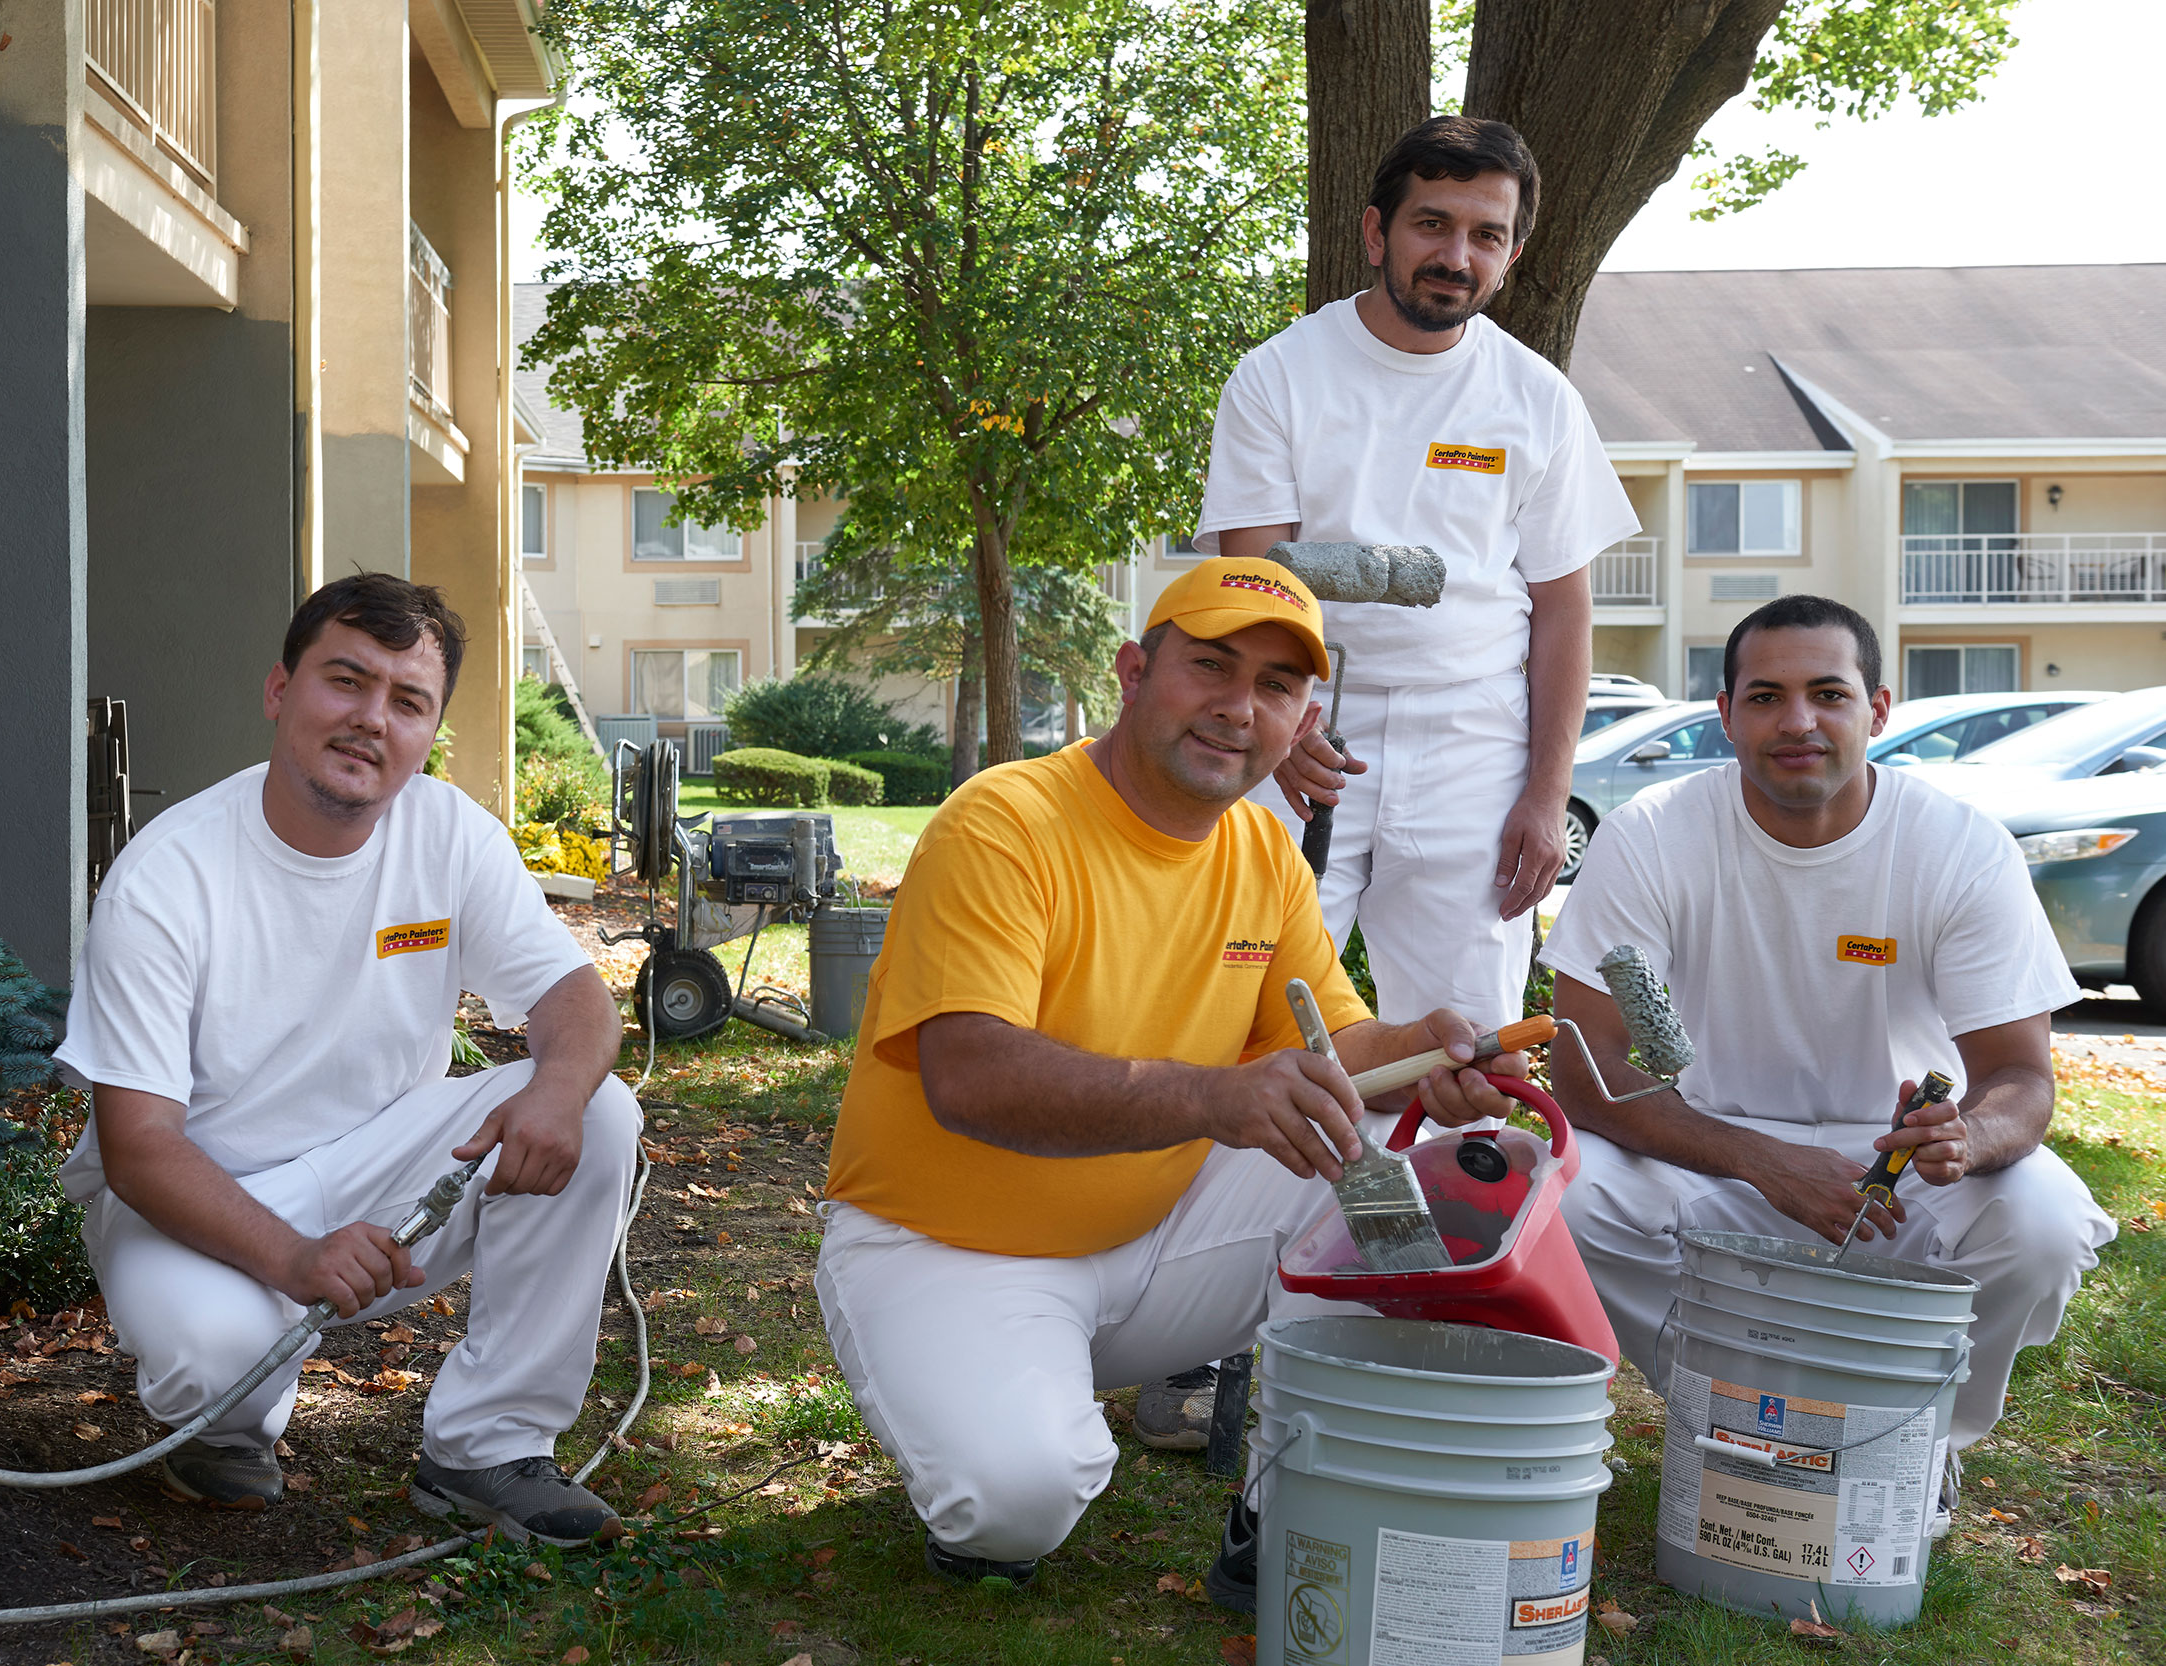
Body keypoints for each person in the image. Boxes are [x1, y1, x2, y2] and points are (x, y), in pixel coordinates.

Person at [815, 555, 1535, 1606]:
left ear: (1304, 716)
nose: (1238, 708)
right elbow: (967, 1074)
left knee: (1405, 1173)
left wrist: (1429, 1050)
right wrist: (1212, 1097)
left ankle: (1293, 1492)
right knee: (1016, 1497)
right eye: (1209, 665)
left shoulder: (1261, 850)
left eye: (1276, 687)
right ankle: (1000, 1432)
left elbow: (1333, 1041)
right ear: (1132, 671)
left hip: (1158, 1238)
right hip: (948, 1245)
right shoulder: (1003, 823)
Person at [1146, 117, 1638, 1449]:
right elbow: (1249, 579)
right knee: (1261, 1020)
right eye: (1432, 225)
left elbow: (1564, 617)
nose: (1455, 254)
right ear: (1377, 230)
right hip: (1304, 736)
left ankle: (1420, 1327)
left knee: (1456, 1049)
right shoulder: (1284, 375)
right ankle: (1203, 1340)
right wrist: (1277, 723)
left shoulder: (1538, 401)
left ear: (1514, 252)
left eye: (1485, 234)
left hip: (1478, 747)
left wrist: (1546, 794)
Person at [54, 573, 638, 1543]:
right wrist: (293, 1257)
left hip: (377, 1164)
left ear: (429, 729)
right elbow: (138, 1147)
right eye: (345, 680)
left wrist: (560, 1086)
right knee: (214, 1363)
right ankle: (224, 1421)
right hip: (193, 1194)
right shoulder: (170, 873)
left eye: (406, 700)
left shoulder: (447, 834)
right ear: (281, 690)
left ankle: (486, 1447)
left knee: (598, 1108)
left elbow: (571, 998)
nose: (372, 719)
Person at [1540, 594, 2116, 1489]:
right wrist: (1760, 1160)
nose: (1797, 721)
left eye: (1829, 694)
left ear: (1877, 710)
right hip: (1708, 1159)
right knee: (1561, 1203)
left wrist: (1969, 1137)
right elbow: (1583, 1068)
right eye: (1765, 696)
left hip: (1895, 1176)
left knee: (2040, 1220)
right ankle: (1737, 1420)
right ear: (1725, 715)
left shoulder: (1958, 847)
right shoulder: (1654, 833)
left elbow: (2019, 1077)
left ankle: (1917, 1444)